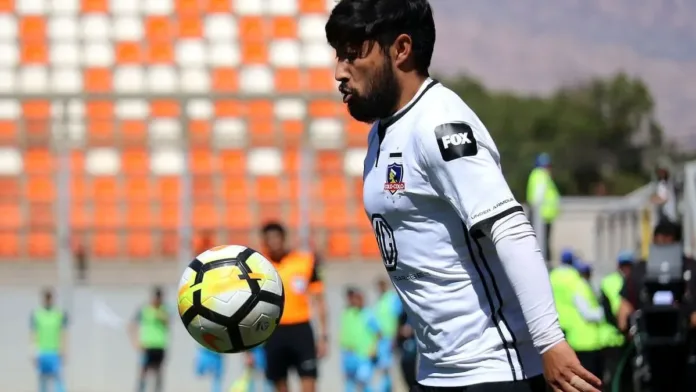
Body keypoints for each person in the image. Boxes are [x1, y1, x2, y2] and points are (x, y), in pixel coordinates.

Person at [325, 1, 601, 391]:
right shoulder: (381, 132)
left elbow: (511, 230)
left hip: (495, 371)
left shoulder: (439, 123)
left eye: (353, 52)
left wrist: (549, 341)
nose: (339, 70)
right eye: (338, 53)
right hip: (437, 371)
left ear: (401, 49)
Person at [617, 220, 696, 391]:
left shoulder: (641, 269)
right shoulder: (642, 270)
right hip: (655, 359)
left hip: (681, 355)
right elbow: (624, 313)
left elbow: (623, 314)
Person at [252, 222, 328, 392]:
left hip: (301, 329)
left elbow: (319, 299)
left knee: (309, 381)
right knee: (279, 384)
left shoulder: (305, 262)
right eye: (268, 239)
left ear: (284, 238)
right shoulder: (259, 267)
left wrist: (323, 336)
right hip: (273, 331)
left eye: (276, 237)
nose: (273, 242)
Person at [598, 251, 633, 391]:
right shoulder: (614, 282)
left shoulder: (624, 280)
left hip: (620, 338)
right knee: (617, 380)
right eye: (624, 265)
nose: (626, 268)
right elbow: (619, 311)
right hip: (614, 338)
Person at [569, 260, 604, 380]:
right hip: (583, 342)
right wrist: (605, 313)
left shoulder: (586, 286)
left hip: (589, 341)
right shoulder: (579, 287)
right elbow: (587, 313)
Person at [130, 287, 170, 392]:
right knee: (143, 373)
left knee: (158, 374)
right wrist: (136, 342)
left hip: (159, 346)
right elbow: (131, 325)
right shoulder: (144, 309)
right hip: (146, 346)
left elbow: (167, 323)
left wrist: (160, 314)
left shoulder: (164, 310)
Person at [526, 153, 560, 263]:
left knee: (544, 243)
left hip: (543, 216)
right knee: (542, 244)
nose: (549, 168)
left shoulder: (541, 175)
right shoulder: (540, 175)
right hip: (541, 217)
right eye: (547, 166)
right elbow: (538, 197)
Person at [31, 288, 68, 392]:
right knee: (42, 381)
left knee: (58, 380)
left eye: (50, 298)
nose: (48, 300)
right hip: (42, 352)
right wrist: (33, 351)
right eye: (46, 298)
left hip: (55, 352)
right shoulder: (37, 314)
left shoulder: (59, 314)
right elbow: (33, 334)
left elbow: (63, 333)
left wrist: (64, 350)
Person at [374, 279, 402, 392]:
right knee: (384, 368)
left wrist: (395, 336)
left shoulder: (392, 298)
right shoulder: (380, 300)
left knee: (390, 368)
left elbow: (397, 318)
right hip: (382, 339)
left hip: (390, 339)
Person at [396, 309, 418, 390]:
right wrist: (401, 332)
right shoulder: (402, 315)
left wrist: (413, 331)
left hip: (417, 357)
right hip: (405, 356)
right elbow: (397, 332)